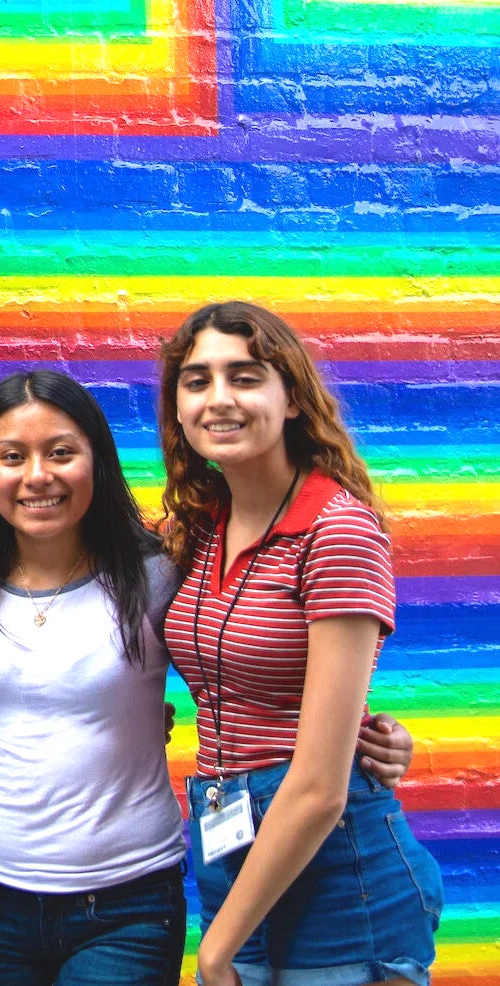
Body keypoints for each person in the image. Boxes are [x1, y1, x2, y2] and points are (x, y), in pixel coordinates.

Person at [0, 368, 419, 986]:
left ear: (99, 460)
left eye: (62, 452)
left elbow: (262, 660)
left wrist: (371, 733)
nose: (38, 475)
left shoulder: (159, 568)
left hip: (127, 898)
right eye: (12, 456)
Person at [159, 302, 441, 986]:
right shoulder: (197, 531)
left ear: (290, 398)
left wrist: (215, 949)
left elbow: (317, 787)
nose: (217, 399)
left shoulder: (335, 532)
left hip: (341, 876)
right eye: (195, 381)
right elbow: (58, 548)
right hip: (230, 845)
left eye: (244, 376)